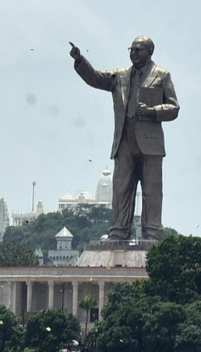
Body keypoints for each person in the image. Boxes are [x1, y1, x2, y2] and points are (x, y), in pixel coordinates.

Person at [70, 36, 179, 241]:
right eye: (131, 49)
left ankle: (152, 232)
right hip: (124, 140)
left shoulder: (162, 76)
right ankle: (119, 231)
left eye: (138, 50)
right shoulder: (119, 76)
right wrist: (80, 61)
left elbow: (174, 108)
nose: (134, 53)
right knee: (122, 188)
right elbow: (95, 78)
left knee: (152, 190)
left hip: (150, 142)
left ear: (150, 52)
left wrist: (153, 111)